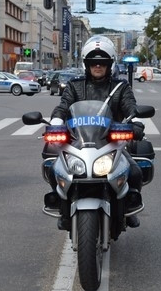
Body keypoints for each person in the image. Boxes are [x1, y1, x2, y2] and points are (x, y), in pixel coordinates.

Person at [49, 35, 145, 228]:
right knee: (54, 169)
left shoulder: (120, 87)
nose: (98, 66)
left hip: (111, 142)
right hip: (79, 140)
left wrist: (135, 122)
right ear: (87, 64)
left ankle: (127, 209)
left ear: (110, 65)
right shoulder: (75, 86)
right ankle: (63, 208)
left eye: (102, 62)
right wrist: (56, 122)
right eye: (93, 62)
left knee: (135, 172)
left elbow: (130, 107)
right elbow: (63, 106)